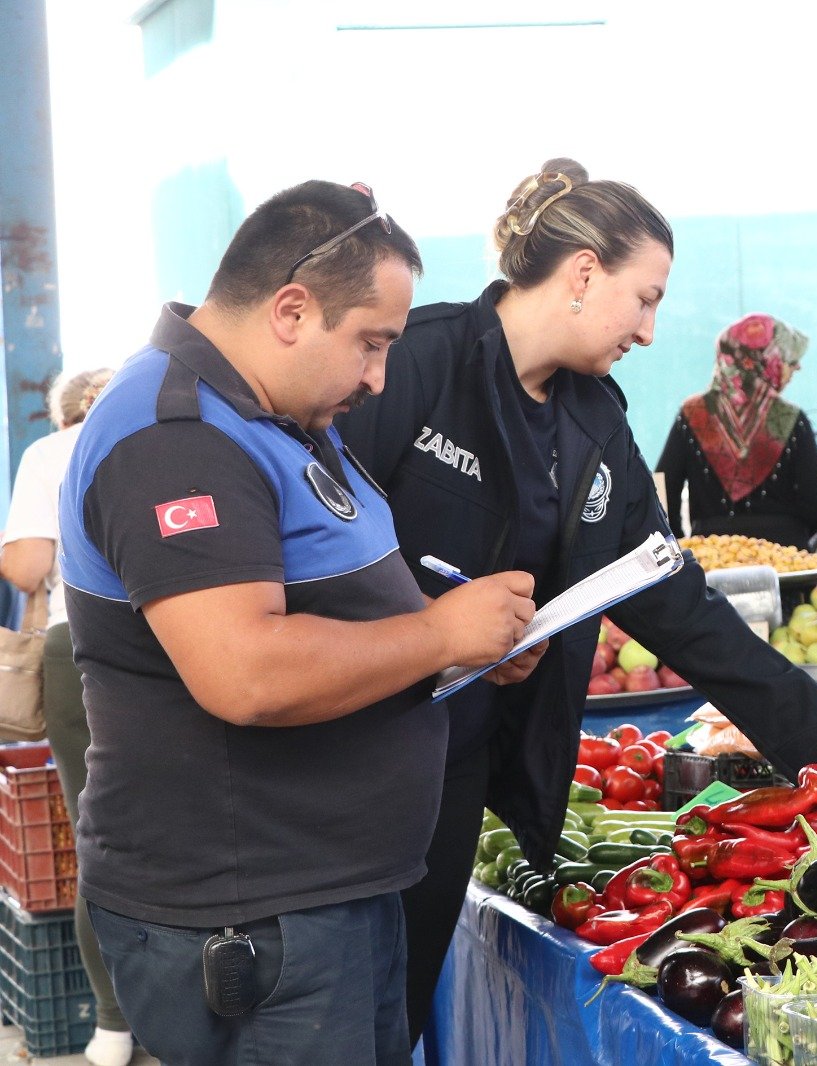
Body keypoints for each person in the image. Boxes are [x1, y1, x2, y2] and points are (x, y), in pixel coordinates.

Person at [334, 158, 817, 1043]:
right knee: (335, 1018)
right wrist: (437, 625)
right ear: (582, 275)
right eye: (643, 299)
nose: (650, 331)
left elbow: (668, 593)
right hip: (348, 763)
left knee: (396, 1020)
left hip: (456, 770)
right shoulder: (414, 363)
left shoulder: (596, 422)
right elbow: (321, 541)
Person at [58, 180, 543, 1065]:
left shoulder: (275, 415)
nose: (377, 377)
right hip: (251, 919)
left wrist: (455, 645)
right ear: (290, 309)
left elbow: (326, 615)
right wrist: (436, 636)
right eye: (369, 343)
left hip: (323, 900)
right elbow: (247, 671)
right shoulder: (174, 437)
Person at [0, 368, 131, 1066]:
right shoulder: (163, 431)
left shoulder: (51, 453)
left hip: (76, 643)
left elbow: (25, 567)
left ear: (62, 413)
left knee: (99, 835)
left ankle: (114, 1024)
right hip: (174, 642)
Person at [655, 313, 817, 546]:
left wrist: (682, 545)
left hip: (714, 559)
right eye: (788, 361)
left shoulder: (693, 414)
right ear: (765, 361)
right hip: (784, 559)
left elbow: (663, 490)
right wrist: (788, 534)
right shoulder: (790, 418)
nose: (796, 369)